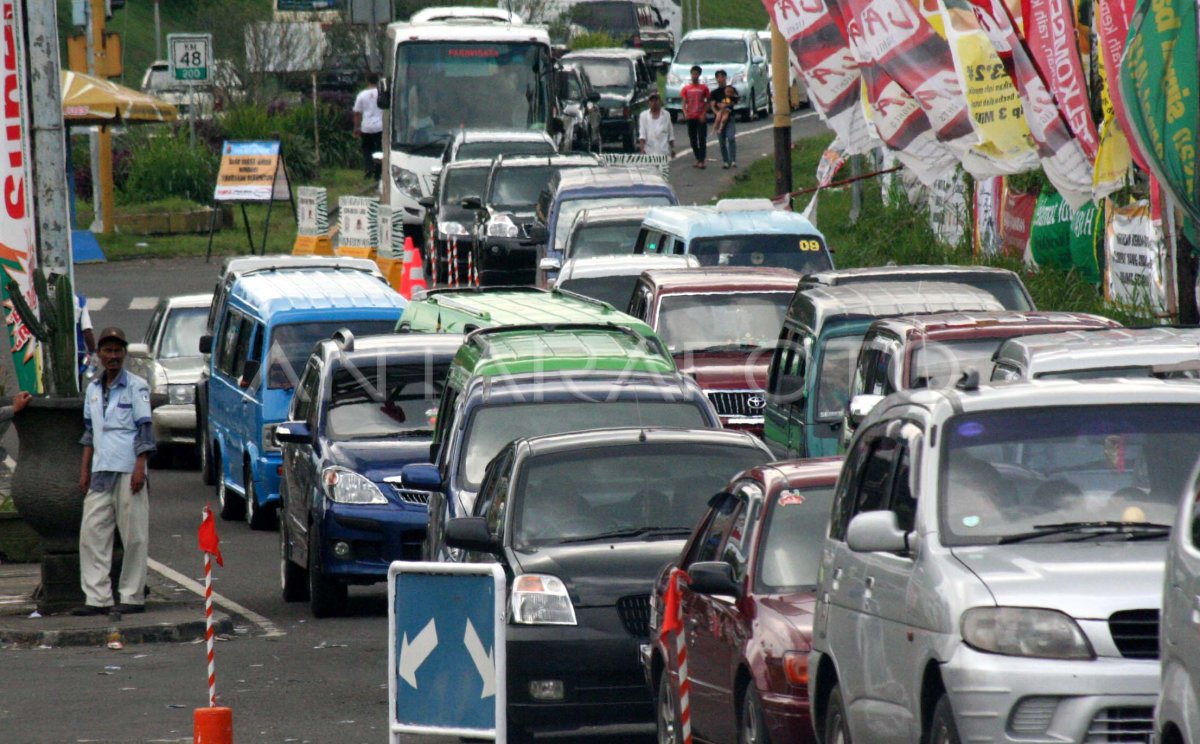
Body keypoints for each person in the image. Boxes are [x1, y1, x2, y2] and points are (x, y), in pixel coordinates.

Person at [74, 327, 156, 616]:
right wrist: (84, 470)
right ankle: (97, 598)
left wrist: (140, 467)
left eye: (117, 351)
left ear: (124, 354)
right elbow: (88, 434)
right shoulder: (93, 389)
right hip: (100, 469)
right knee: (92, 535)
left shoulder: (136, 386)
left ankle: (132, 596)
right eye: (107, 351)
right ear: (99, 355)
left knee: (134, 535)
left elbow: (145, 430)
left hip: (127, 468)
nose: (113, 356)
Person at [352, 73, 384, 180]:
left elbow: (357, 113)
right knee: (379, 149)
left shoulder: (362, 95)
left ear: (367, 81)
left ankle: (368, 167)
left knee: (367, 149)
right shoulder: (381, 93)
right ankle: (378, 172)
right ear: (378, 81)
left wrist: (356, 127)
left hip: (366, 127)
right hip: (380, 126)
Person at [680, 65, 711, 168]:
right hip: (691, 117)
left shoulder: (704, 88)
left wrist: (704, 113)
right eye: (693, 74)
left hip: (700, 117)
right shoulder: (686, 89)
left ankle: (701, 160)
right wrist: (685, 113)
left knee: (702, 138)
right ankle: (698, 158)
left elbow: (708, 102)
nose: (694, 76)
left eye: (696, 74)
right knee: (693, 140)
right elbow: (684, 103)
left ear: (699, 75)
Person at [710, 71, 739, 169]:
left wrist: (726, 105)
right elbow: (712, 105)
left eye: (722, 77)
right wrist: (717, 112)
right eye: (718, 77)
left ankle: (733, 160)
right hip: (719, 116)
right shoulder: (714, 93)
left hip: (729, 117)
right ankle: (726, 161)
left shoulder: (732, 89)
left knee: (731, 138)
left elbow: (735, 101)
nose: (720, 79)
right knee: (722, 141)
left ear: (725, 78)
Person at [637, 92, 675, 158]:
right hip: (649, 153)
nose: (654, 102)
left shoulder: (666, 115)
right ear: (649, 103)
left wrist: (672, 149)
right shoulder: (643, 116)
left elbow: (670, 134)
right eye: (652, 101)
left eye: (656, 100)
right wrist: (642, 150)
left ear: (660, 101)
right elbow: (642, 135)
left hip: (663, 153)